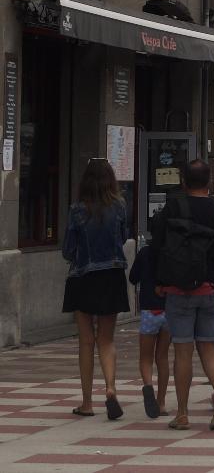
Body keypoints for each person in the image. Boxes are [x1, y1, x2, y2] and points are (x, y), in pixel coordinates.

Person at [150, 159, 214, 431]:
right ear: (209, 183)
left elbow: (157, 247)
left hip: (177, 290)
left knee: (182, 351)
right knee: (209, 346)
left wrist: (157, 281)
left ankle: (182, 413)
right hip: (210, 289)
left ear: (183, 183)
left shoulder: (172, 208)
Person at [63, 159, 130, 420]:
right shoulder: (121, 206)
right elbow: (123, 238)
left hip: (83, 277)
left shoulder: (77, 210)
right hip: (112, 276)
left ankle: (87, 402)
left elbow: (68, 250)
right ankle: (111, 388)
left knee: (86, 340)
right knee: (107, 338)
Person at [129, 235, 170, 419]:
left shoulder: (145, 252)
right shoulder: (172, 253)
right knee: (162, 357)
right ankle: (161, 403)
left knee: (145, 358)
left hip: (148, 311)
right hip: (169, 311)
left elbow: (133, 277)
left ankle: (148, 387)